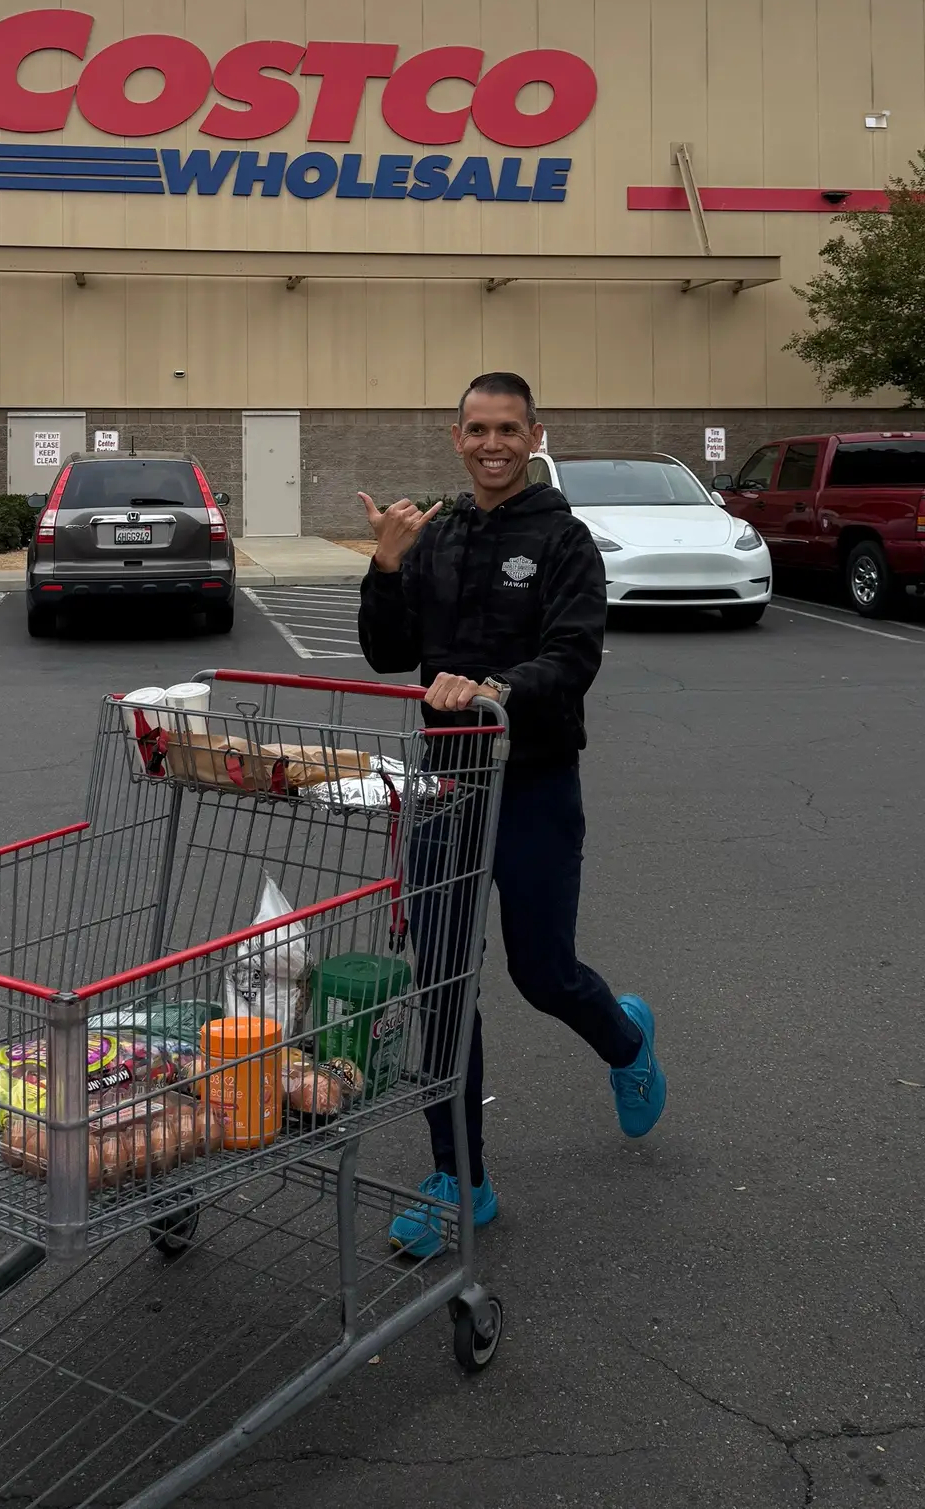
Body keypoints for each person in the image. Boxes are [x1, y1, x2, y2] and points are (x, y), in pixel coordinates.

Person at [357, 371, 666, 1258]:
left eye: (507, 429)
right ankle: (461, 1178)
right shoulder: (438, 534)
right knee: (443, 981)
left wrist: (494, 689)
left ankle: (625, 1038)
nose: (491, 444)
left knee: (542, 972)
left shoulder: (564, 540)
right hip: (447, 786)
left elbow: (573, 655)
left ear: (535, 435)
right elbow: (386, 650)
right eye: (477, 430)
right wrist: (385, 566)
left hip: (534, 781)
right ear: (455, 436)